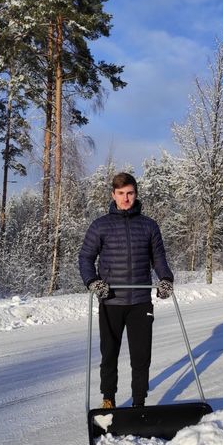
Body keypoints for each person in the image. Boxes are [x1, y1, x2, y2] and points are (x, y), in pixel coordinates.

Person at [79, 172, 174, 409]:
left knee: (141, 357)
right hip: (111, 300)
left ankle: (139, 403)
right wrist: (93, 282)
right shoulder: (100, 225)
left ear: (136, 194)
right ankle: (108, 399)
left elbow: (159, 258)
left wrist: (165, 279)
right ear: (113, 195)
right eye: (121, 193)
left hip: (140, 300)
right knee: (109, 354)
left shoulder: (149, 226)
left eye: (130, 193)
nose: (126, 198)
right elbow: (85, 258)